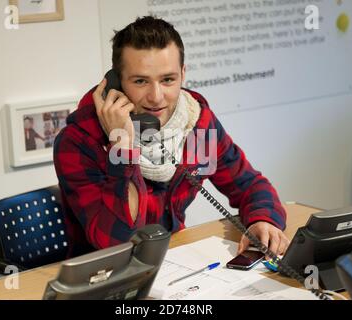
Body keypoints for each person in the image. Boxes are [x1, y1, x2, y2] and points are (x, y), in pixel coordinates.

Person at [53, 16, 289, 258]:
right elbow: (116, 242)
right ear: (117, 83)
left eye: (168, 80)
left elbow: (249, 184)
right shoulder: (79, 141)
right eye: (141, 81)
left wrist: (263, 220)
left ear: (183, 74)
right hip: (107, 278)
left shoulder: (197, 124)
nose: (156, 97)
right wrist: (122, 145)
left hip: (177, 261)